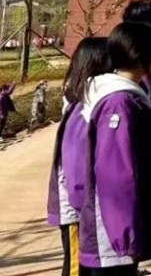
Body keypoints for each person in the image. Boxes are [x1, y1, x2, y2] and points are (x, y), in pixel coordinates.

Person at [65, 22, 151, 273]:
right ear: (140, 55)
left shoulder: (123, 95)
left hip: (117, 225)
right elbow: (117, 173)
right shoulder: (119, 103)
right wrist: (126, 236)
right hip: (112, 230)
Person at [47, 37, 109, 276]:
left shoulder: (87, 101)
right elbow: (74, 164)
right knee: (75, 266)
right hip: (77, 208)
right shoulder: (82, 108)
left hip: (85, 205)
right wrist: (83, 203)